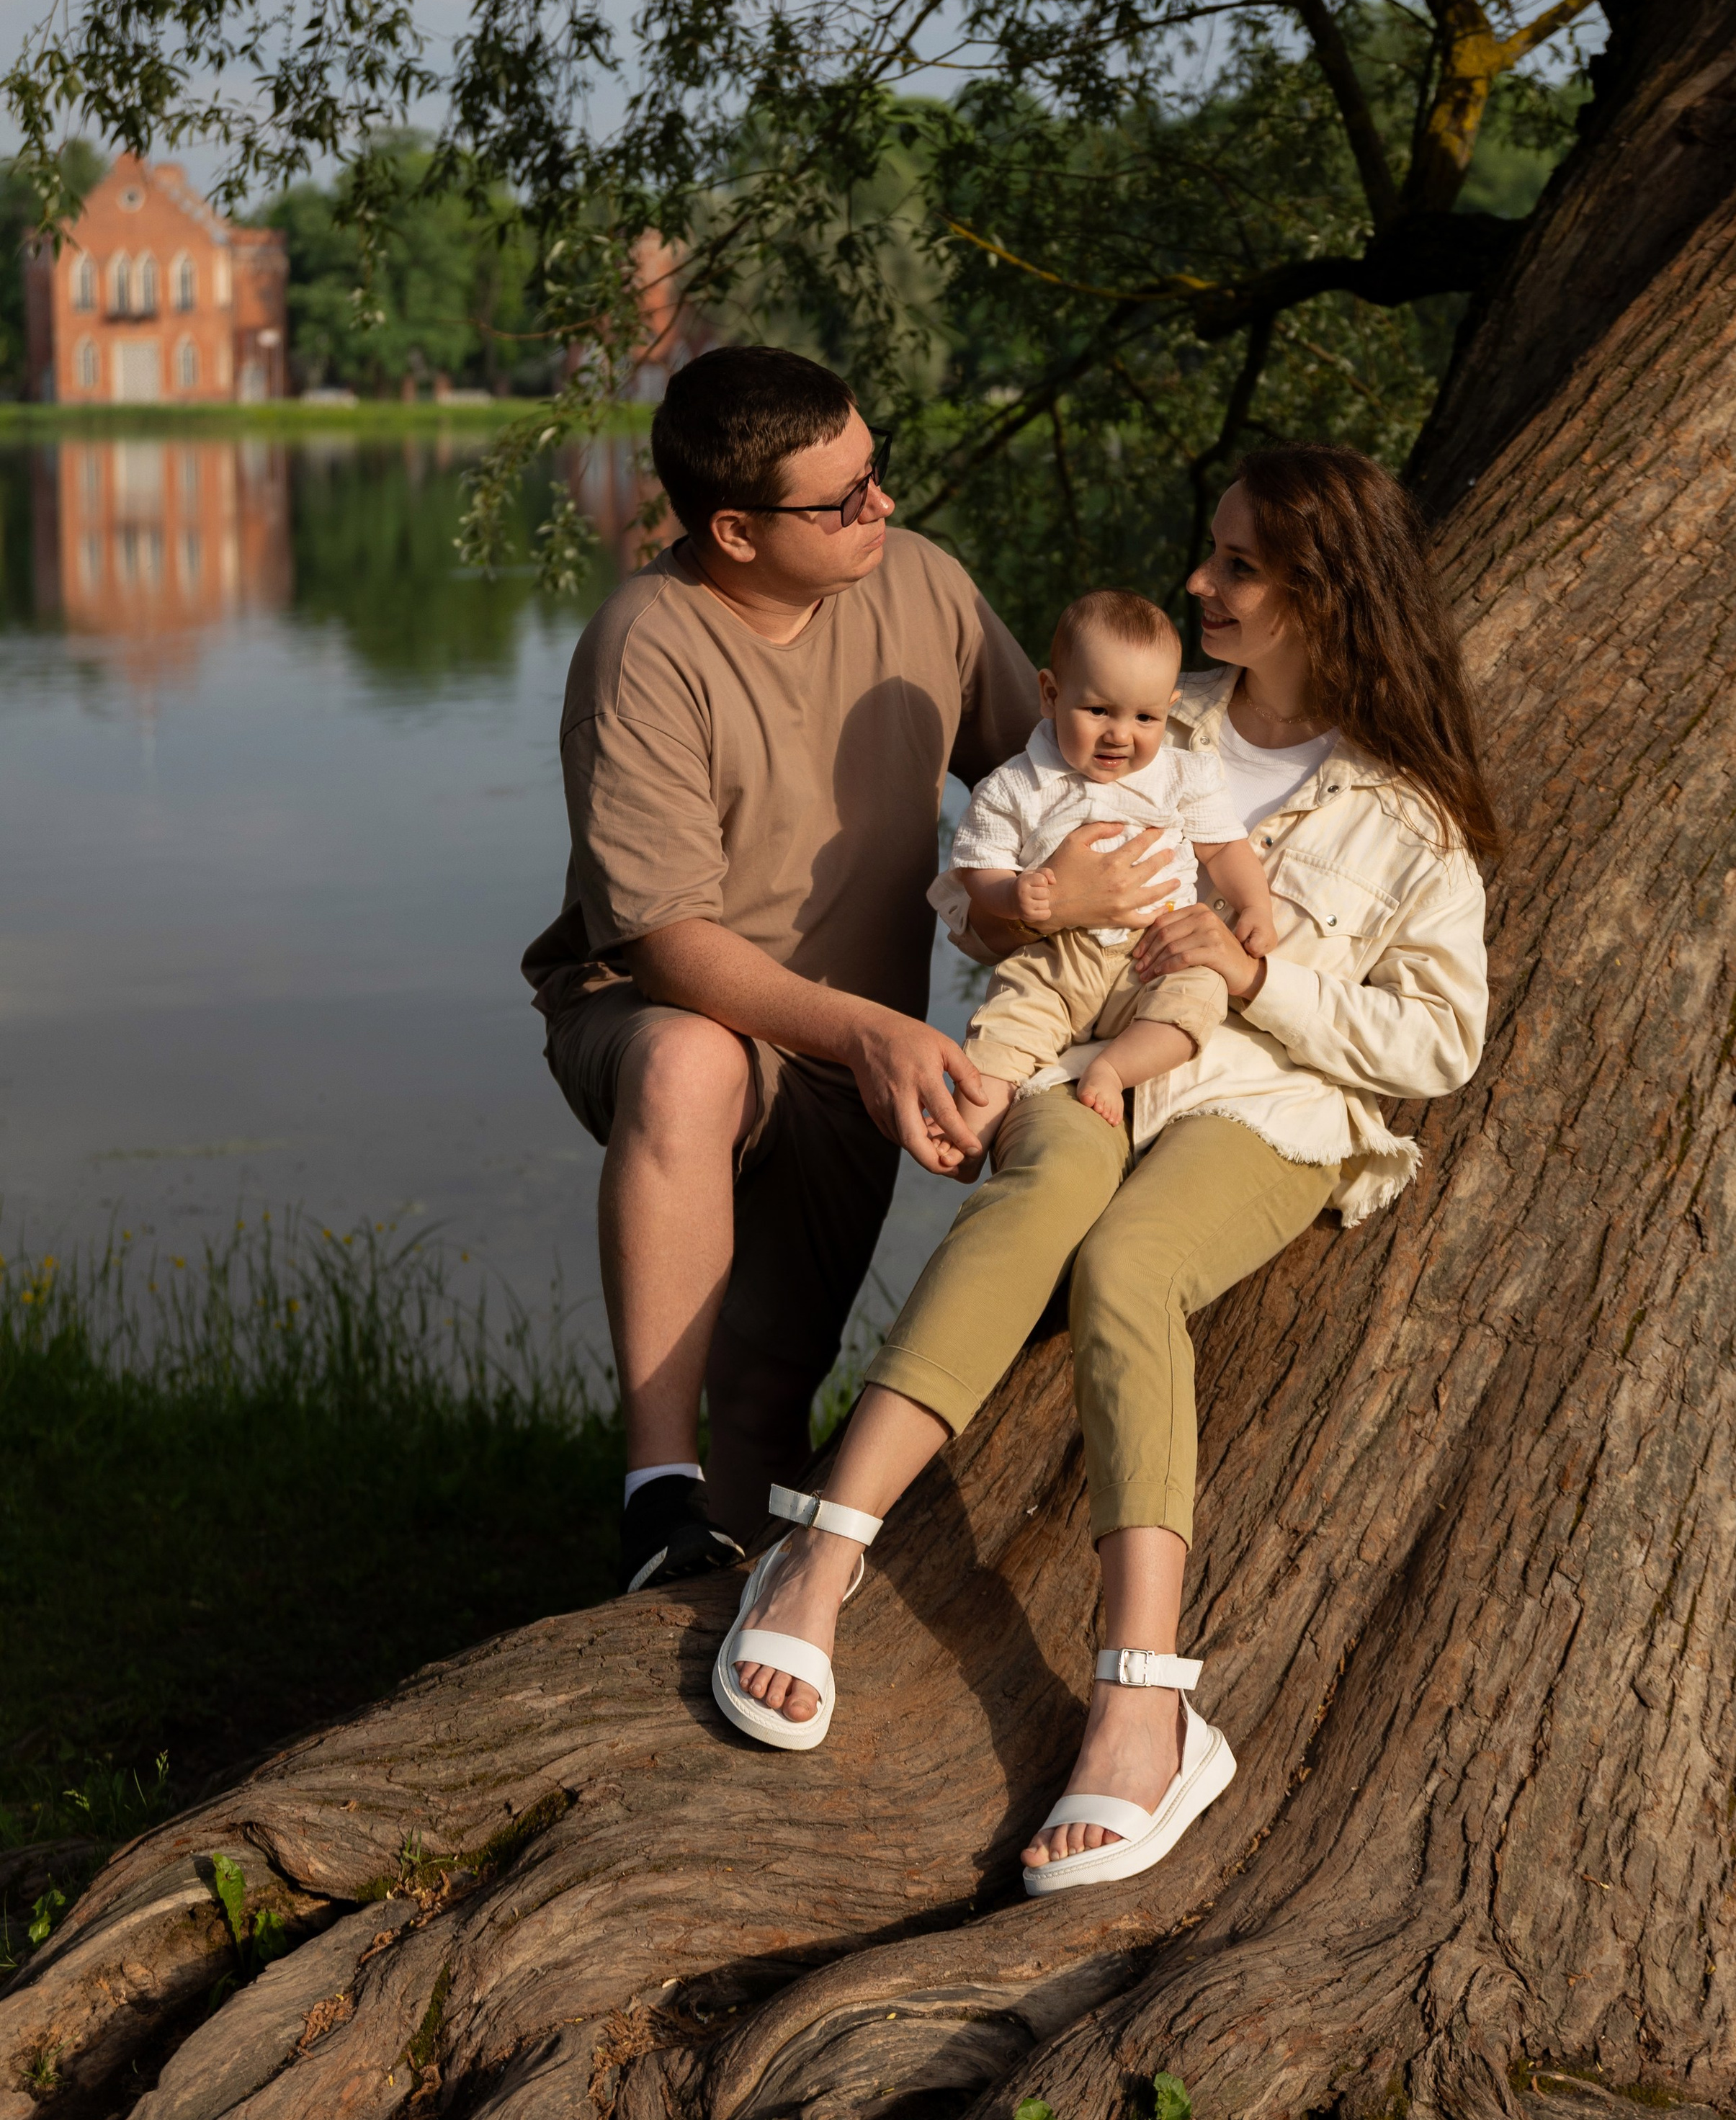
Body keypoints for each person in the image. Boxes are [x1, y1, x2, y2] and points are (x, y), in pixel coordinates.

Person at [711, 444, 1496, 1901]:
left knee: (1130, 1265)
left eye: (1237, 566)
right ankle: (815, 1556)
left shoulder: (1408, 817)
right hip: (1076, 1057)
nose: (1197, 581)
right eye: (1209, 553)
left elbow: (1437, 1043)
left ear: (1324, 594)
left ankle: (1145, 1703)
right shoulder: (1136, 713)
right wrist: (1032, 904)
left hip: (1273, 1107)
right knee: (1049, 1193)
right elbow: (981, 904)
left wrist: (1253, 973)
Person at [522, 345, 1186, 1594]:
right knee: (689, 1061)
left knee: (776, 1378)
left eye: (875, 473)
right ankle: (656, 1491)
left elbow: (1049, 769)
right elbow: (662, 936)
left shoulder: (923, 585)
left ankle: (717, 1604)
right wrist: (871, 1033)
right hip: (662, 1009)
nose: (880, 507)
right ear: (733, 529)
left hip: (851, 1054)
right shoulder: (643, 649)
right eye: (842, 501)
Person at [932, 586, 1276, 1168]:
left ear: (1168, 707)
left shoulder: (1181, 775)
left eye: (1145, 716)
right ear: (1050, 694)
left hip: (1154, 952)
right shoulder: (1016, 785)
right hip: (1057, 955)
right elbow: (976, 866)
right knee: (1009, 1023)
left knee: (1199, 993)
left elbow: (1225, 847)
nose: (1121, 733)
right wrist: (1013, 893)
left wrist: (1254, 906)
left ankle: (1115, 1067)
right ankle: (966, 1137)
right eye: (1099, 711)